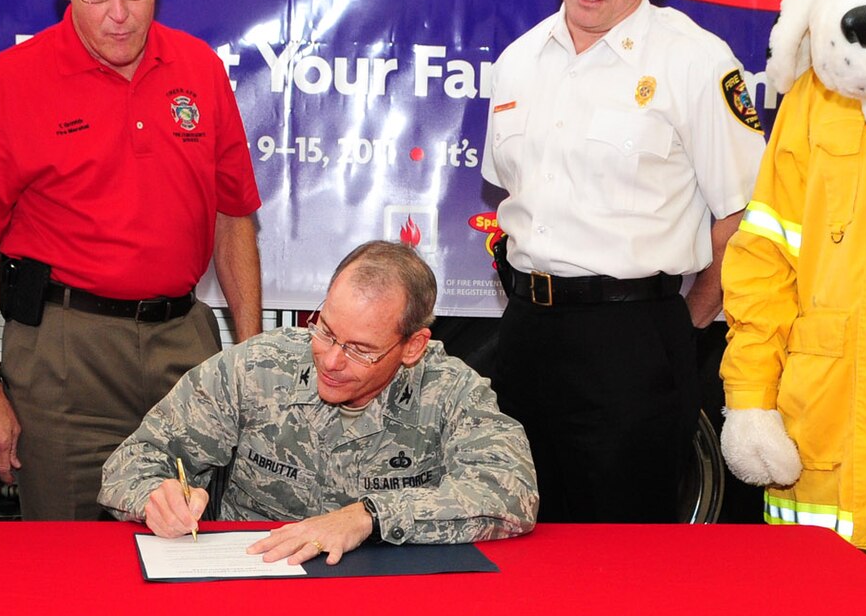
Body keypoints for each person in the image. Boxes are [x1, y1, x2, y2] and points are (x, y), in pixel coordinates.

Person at [0, 0, 263, 521]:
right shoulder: (11, 83)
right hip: (66, 362)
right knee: (67, 568)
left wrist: (251, 367)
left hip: (185, 348)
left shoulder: (199, 69)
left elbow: (234, 222)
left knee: (193, 549)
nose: (119, 13)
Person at [482, 0, 765, 522]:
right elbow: (506, 197)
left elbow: (742, 217)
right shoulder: (520, 60)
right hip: (524, 336)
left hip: (632, 344)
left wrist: (684, 317)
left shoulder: (695, 62)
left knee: (623, 562)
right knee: (510, 534)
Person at [99, 241, 538, 564]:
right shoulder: (258, 369)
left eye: (361, 349)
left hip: (387, 597)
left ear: (413, 346)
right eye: (324, 329)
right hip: (257, 578)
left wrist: (368, 518)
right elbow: (131, 462)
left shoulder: (450, 392)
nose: (331, 360)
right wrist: (154, 497)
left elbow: (512, 494)